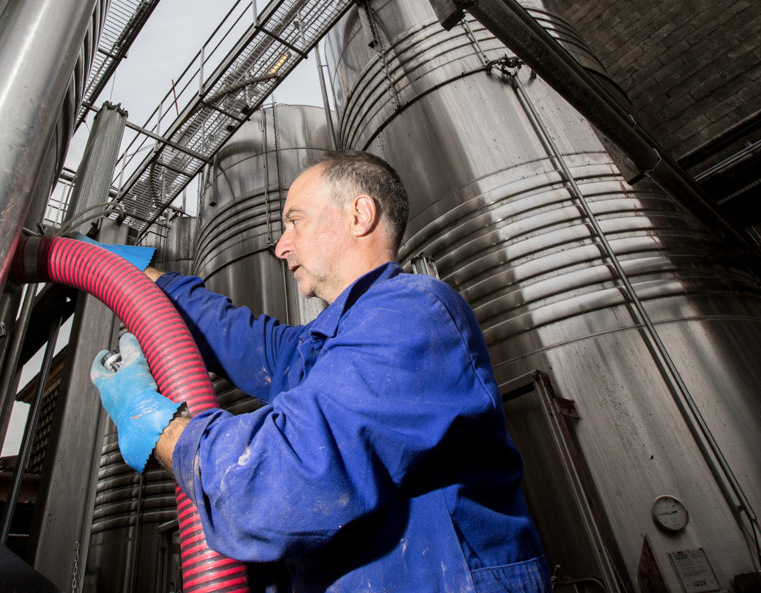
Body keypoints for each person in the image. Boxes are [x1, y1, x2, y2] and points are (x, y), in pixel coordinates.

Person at [90, 151, 549, 593]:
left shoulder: (412, 314)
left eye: (295, 221)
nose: (280, 245)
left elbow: (276, 487)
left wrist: (156, 424)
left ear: (358, 216)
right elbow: (238, 335)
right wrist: (139, 278)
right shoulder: (328, 347)